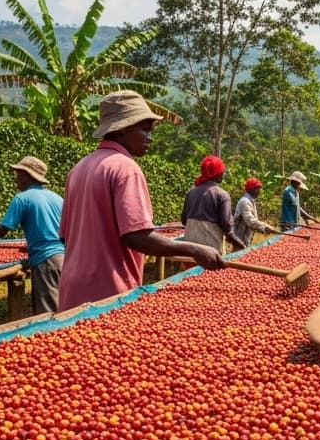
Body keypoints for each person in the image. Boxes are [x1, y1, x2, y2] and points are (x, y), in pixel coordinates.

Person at [58, 91, 224, 311]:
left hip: (71, 289)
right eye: (144, 129)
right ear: (124, 128)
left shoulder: (78, 169)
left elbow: (66, 237)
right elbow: (136, 236)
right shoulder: (126, 168)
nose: (150, 137)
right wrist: (195, 250)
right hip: (107, 293)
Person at [0, 155, 65, 315]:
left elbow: (2, 230)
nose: (16, 180)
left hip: (46, 260)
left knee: (48, 312)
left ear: (27, 175)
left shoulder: (22, 199)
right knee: (64, 304)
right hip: (65, 257)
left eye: (18, 175)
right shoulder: (57, 198)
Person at [181, 155, 235, 252]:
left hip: (189, 249)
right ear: (217, 174)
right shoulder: (222, 195)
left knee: (191, 268)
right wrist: (236, 241)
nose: (223, 174)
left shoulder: (191, 192)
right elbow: (226, 224)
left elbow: (184, 220)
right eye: (222, 171)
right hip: (210, 250)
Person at [232, 178, 275, 249]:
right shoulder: (245, 202)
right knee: (238, 255)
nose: (259, 191)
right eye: (256, 189)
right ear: (250, 189)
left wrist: (264, 228)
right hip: (240, 238)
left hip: (245, 237)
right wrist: (265, 227)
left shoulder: (250, 200)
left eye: (259, 189)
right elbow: (250, 221)